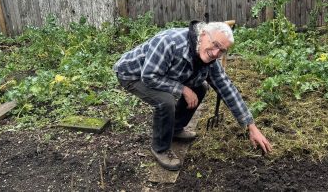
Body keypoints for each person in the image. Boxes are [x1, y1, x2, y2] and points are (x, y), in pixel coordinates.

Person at [114, 20, 272, 171]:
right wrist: (182, 89)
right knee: (165, 101)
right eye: (215, 45)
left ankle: (175, 129)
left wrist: (251, 125)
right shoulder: (170, 43)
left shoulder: (210, 58)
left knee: (200, 88)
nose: (215, 53)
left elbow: (226, 88)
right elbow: (149, 76)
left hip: (159, 74)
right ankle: (160, 148)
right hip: (132, 75)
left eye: (222, 50)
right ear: (203, 35)